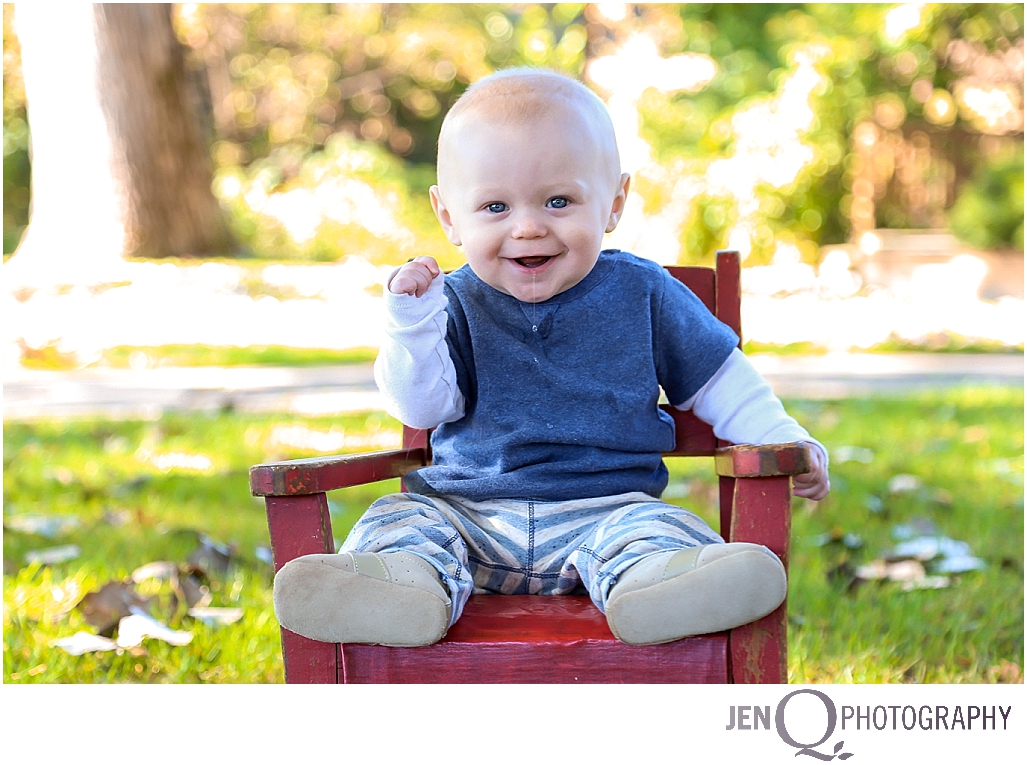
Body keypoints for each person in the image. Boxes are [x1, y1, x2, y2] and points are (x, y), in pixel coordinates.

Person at [273, 68, 830, 648]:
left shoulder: (644, 292)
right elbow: (422, 406)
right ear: (449, 217)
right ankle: (404, 590)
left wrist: (781, 440)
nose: (529, 227)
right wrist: (410, 326)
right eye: (495, 206)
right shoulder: (449, 302)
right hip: (467, 516)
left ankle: (655, 589)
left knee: (660, 532)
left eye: (559, 201)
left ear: (614, 203)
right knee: (402, 521)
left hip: (608, 512)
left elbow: (720, 380)